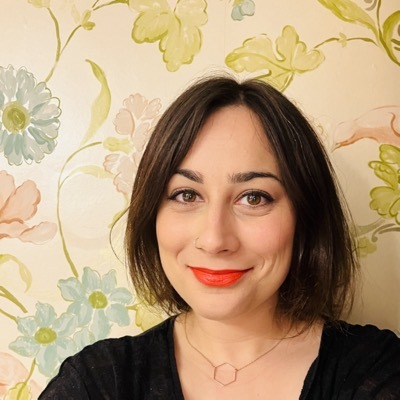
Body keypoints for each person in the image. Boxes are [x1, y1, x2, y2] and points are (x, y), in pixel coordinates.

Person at [39, 76, 400, 399]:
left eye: (253, 198)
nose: (214, 239)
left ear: (305, 216)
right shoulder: (96, 383)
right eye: (187, 195)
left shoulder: (378, 372)